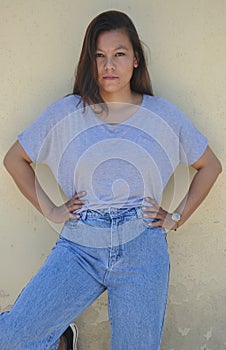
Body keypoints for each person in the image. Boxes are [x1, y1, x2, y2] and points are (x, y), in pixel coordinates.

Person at [0, 9, 222, 350]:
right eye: (99, 56)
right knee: (13, 337)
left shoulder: (161, 114)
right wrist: (52, 210)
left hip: (142, 246)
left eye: (119, 54)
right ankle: (60, 338)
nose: (109, 65)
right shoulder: (67, 112)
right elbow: (15, 158)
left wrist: (175, 217)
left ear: (135, 59)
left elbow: (210, 166)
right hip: (81, 242)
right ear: (89, 63)